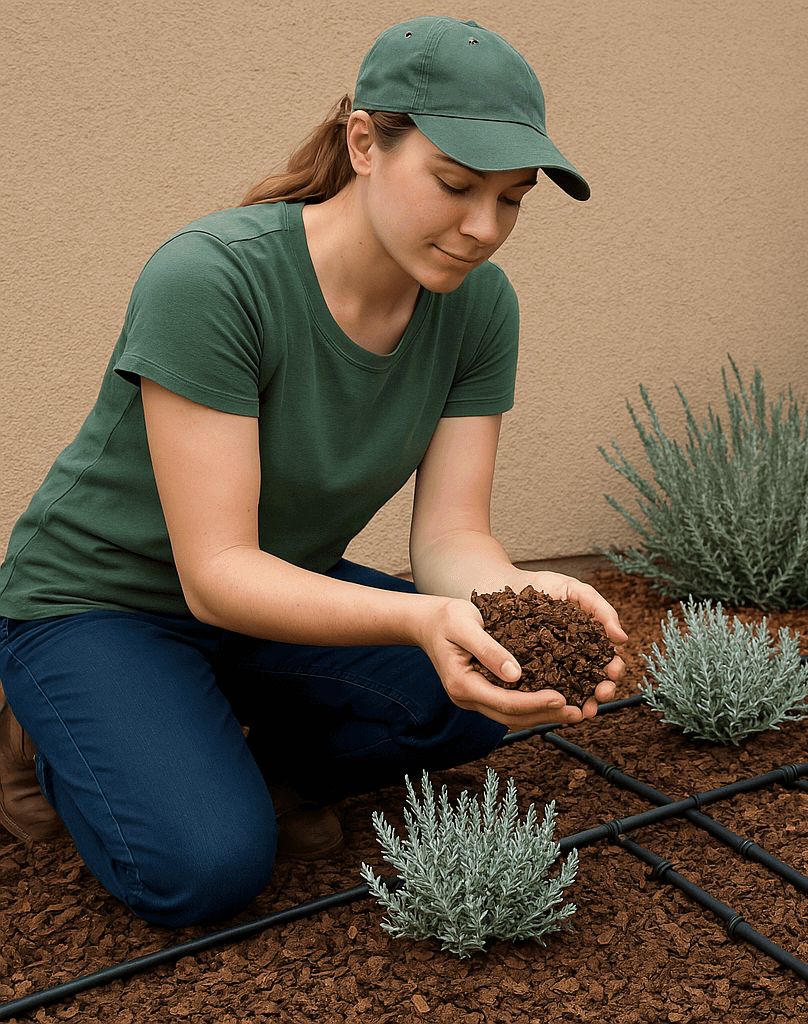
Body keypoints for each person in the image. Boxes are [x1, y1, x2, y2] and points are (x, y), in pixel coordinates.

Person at [0, 16, 626, 927]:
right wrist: (424, 619)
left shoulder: (478, 306)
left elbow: (453, 537)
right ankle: (42, 721)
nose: (484, 229)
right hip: (102, 602)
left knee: (483, 699)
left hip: (272, 589)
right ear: (365, 142)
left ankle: (203, 739)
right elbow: (214, 573)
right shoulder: (213, 280)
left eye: (512, 199)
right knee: (207, 868)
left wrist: (525, 605)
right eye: (455, 185)